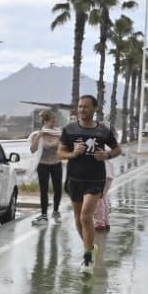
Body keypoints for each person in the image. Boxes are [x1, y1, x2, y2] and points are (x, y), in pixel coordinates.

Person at [58, 94, 122, 272]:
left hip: (95, 179)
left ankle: (87, 258)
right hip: (74, 178)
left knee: (86, 216)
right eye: (80, 107)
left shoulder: (103, 131)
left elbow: (117, 149)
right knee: (78, 218)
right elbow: (61, 153)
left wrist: (106, 155)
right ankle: (90, 248)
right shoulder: (69, 129)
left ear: (95, 109)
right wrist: (72, 154)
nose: (82, 110)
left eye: (86, 107)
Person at [27, 109, 64, 224]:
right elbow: (32, 150)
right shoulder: (39, 134)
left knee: (58, 189)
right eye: (52, 121)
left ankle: (56, 210)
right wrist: (39, 136)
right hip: (43, 165)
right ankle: (43, 214)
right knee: (44, 190)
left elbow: (64, 147)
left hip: (56, 164)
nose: (54, 123)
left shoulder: (58, 133)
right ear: (46, 121)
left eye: (55, 121)